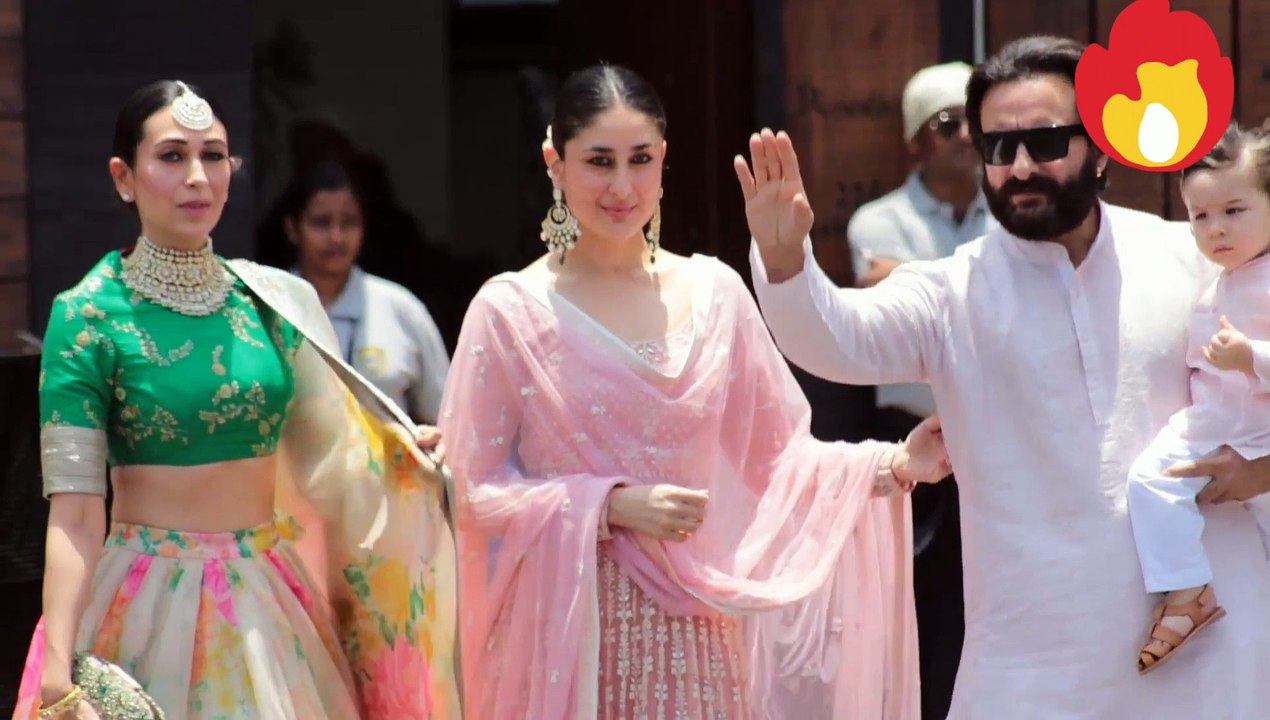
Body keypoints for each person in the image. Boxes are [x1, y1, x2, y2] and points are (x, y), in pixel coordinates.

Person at [738, 35, 1270, 718]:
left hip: (1212, 654)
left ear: (1102, 147)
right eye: (996, 147)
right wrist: (785, 262)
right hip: (1035, 664)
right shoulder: (952, 292)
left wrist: (1260, 472)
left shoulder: (1192, 258)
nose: (1018, 167)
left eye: (1045, 142)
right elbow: (835, 338)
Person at [440, 63, 951, 720]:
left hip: (699, 648)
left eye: (640, 159)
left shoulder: (716, 296)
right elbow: (468, 493)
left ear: (663, 161)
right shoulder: (510, 313)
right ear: (554, 163)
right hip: (565, 646)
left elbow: (780, 462)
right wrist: (608, 507)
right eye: (599, 161)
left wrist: (891, 465)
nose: (622, 186)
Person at [12, 80, 459, 720]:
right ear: (123, 177)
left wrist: (400, 450)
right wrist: (58, 670)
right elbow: (76, 515)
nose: (198, 176)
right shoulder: (88, 316)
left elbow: (334, 458)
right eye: (172, 156)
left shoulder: (271, 302)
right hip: (146, 605)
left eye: (213, 155)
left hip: (270, 600)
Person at [846, 60, 990, 718]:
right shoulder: (876, 220)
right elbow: (882, 290)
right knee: (918, 615)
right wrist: (990, 285)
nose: (967, 133)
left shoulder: (1014, 214)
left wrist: (917, 277)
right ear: (916, 142)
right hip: (915, 458)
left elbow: (903, 286)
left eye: (974, 119)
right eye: (947, 122)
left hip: (995, 450)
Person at [1127, 120, 1270, 674]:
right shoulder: (1215, 278)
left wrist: (1251, 357)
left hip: (1249, 432)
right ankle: (1186, 590)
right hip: (1216, 427)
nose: (1216, 229)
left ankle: (1188, 594)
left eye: (1234, 211)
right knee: (1151, 480)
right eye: (1200, 216)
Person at [280, 159, 451, 424]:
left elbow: (446, 419)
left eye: (349, 223)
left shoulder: (401, 309)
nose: (336, 237)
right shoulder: (268, 305)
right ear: (292, 229)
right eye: (321, 223)